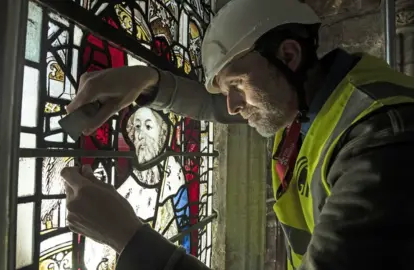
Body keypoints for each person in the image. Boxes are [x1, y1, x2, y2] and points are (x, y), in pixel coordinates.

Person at [61, 0, 414, 269]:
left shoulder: (379, 146)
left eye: (237, 85)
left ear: (289, 55)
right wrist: (146, 82)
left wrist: (131, 240)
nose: (231, 106)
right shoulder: (315, 97)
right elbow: (212, 106)